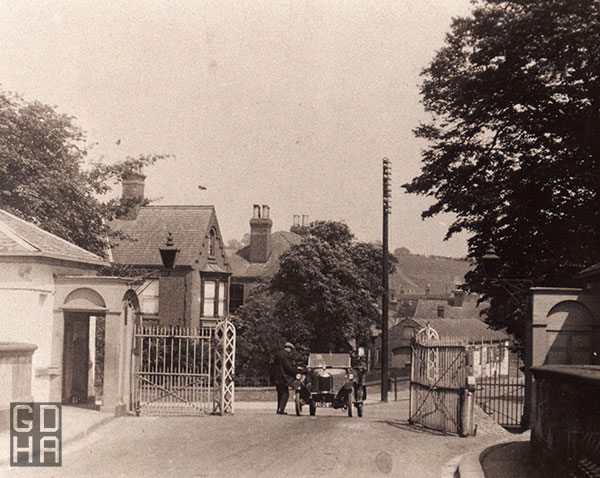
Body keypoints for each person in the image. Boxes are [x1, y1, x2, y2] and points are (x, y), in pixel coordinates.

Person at [271, 342, 296, 415]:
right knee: (285, 394)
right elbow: (288, 367)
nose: (291, 351)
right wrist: (295, 371)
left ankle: (279, 408)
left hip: (276, 377)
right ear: (288, 348)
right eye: (291, 349)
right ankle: (281, 409)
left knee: (280, 394)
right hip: (284, 377)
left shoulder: (277, 354)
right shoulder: (286, 355)